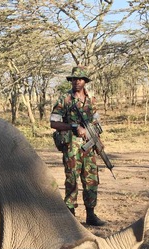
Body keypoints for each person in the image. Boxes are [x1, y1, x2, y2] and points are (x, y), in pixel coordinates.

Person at [50, 66, 106, 226]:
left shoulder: (91, 100)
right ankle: (71, 216)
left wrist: (97, 140)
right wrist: (74, 127)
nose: (77, 81)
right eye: (74, 79)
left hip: (89, 147)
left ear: (85, 81)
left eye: (80, 79)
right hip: (72, 147)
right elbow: (53, 123)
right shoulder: (64, 99)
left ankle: (91, 214)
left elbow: (96, 122)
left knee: (91, 180)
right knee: (72, 179)